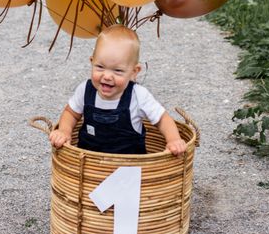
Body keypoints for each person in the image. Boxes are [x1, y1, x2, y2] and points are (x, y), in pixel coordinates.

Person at [49, 24, 187, 156]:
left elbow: (162, 119)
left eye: (118, 70)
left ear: (134, 71)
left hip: (129, 167)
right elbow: (71, 113)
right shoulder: (85, 90)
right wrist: (64, 131)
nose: (107, 76)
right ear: (92, 61)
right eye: (100, 67)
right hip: (89, 164)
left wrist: (173, 140)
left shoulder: (138, 95)